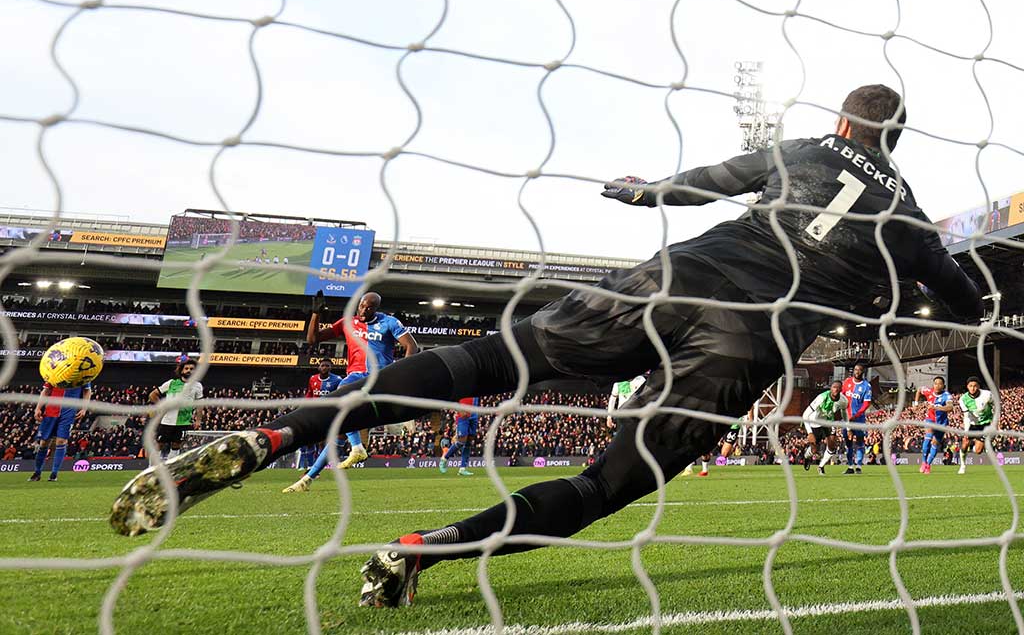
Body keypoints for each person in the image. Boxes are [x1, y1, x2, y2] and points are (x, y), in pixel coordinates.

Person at [110, 85, 983, 610]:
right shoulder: (907, 218)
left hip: (671, 280)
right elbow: (964, 296)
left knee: (497, 360)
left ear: (843, 120)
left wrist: (637, 191)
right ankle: (424, 548)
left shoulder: (793, 149)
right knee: (606, 485)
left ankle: (270, 439)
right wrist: (939, 296)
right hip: (744, 346)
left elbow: (690, 186)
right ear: (899, 138)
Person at [302, 290, 419, 469]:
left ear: (376, 309)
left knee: (342, 394)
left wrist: (402, 372)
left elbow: (411, 345)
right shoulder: (348, 322)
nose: (363, 310)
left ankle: (357, 447)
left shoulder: (389, 322)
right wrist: (316, 313)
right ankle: (310, 476)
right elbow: (313, 339)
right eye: (361, 306)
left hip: (379, 376)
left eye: (369, 308)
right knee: (341, 427)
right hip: (356, 375)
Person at [282, 358, 345, 492]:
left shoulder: (337, 380)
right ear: (319, 367)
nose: (324, 367)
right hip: (314, 413)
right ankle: (310, 466)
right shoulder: (313, 379)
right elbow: (310, 394)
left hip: (329, 414)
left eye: (327, 366)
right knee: (310, 441)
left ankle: (316, 468)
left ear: (330, 368)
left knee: (323, 442)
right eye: (322, 365)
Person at [29, 381, 90, 481]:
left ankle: (54, 474)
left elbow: (87, 391)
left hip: (68, 413)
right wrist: (38, 408)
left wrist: (84, 408)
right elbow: (46, 390)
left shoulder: (82, 373)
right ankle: (37, 472)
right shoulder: (55, 372)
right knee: (44, 443)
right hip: (50, 412)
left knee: (61, 441)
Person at [150, 359, 203, 460]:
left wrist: (198, 420)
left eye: (192, 369)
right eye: (186, 368)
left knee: (176, 446)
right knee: (159, 445)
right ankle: (151, 469)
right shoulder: (171, 383)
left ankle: (171, 469)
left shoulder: (198, 386)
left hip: (184, 422)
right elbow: (152, 395)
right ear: (182, 371)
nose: (189, 370)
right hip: (167, 421)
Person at [802, 381, 847, 475]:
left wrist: (848, 426)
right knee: (814, 449)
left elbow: (844, 412)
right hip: (815, 422)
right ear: (831, 388)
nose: (836, 389)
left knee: (832, 444)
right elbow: (805, 414)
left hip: (829, 422)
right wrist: (810, 433)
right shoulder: (821, 398)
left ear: (841, 389)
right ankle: (806, 457)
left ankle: (821, 466)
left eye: (838, 387)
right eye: (834, 387)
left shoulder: (843, 400)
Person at [957, 376, 996, 475]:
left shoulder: (987, 395)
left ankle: (978, 444)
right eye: (970, 386)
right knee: (965, 443)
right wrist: (966, 432)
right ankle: (962, 466)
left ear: (978, 386)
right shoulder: (963, 399)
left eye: (975, 386)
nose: (973, 388)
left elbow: (995, 405)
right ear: (967, 387)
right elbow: (966, 416)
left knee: (978, 451)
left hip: (985, 424)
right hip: (972, 424)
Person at [914, 376, 952, 474]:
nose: (937, 385)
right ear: (933, 385)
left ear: (944, 385)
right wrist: (916, 403)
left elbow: (950, 407)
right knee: (928, 437)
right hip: (930, 419)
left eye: (940, 384)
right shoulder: (928, 391)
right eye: (936, 383)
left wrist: (937, 408)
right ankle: (923, 462)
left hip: (941, 423)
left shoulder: (946, 395)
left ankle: (928, 464)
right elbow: (919, 390)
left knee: (935, 443)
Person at [842, 363, 872, 474]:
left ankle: (859, 465)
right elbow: (841, 396)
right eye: (855, 369)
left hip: (859, 419)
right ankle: (850, 466)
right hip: (846, 418)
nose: (857, 371)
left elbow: (866, 403)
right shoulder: (847, 382)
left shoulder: (866, 386)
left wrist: (858, 414)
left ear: (863, 371)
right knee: (848, 442)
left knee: (860, 442)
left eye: (859, 370)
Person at [438, 397, 478, 476]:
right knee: (461, 441)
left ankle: (462, 469)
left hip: (474, 413)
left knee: (469, 442)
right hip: (463, 413)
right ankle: (444, 459)